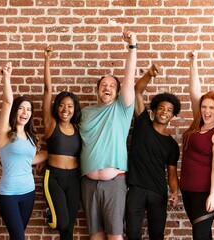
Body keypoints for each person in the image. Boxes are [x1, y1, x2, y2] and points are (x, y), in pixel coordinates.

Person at [79, 31, 137, 240]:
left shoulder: (122, 109)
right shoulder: (84, 113)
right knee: (95, 235)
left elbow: (129, 79)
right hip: (87, 183)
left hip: (115, 182)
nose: (107, 87)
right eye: (104, 84)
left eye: (112, 85)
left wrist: (132, 47)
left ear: (118, 92)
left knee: (115, 235)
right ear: (97, 90)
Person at [125, 64, 181, 240]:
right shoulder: (142, 124)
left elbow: (171, 173)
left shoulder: (172, 145)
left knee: (157, 235)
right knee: (133, 234)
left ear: (173, 116)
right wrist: (149, 74)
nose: (165, 112)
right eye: (162, 108)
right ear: (155, 110)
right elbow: (137, 92)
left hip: (158, 193)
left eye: (169, 110)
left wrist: (174, 192)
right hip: (136, 189)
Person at [180, 51, 214, 239]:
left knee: (199, 235)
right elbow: (194, 92)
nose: (206, 111)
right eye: (204, 107)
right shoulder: (197, 123)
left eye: (212, 107)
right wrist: (193, 64)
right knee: (203, 234)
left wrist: (213, 195)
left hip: (207, 190)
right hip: (188, 189)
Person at [0, 61, 48, 240]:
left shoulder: (30, 136)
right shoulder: (4, 133)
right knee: (19, 237)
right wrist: (7, 77)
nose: (25, 112)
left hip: (28, 192)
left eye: (28, 110)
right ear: (14, 111)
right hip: (8, 194)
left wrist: (52, 155)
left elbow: (29, 159)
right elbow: (7, 101)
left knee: (17, 236)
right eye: (21, 108)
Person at [41, 46, 82, 240]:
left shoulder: (78, 129)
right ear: (57, 108)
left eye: (70, 106)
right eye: (62, 105)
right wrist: (47, 60)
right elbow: (48, 90)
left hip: (74, 178)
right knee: (62, 222)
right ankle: (52, 216)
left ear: (74, 109)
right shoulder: (51, 124)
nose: (66, 109)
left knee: (69, 226)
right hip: (54, 177)